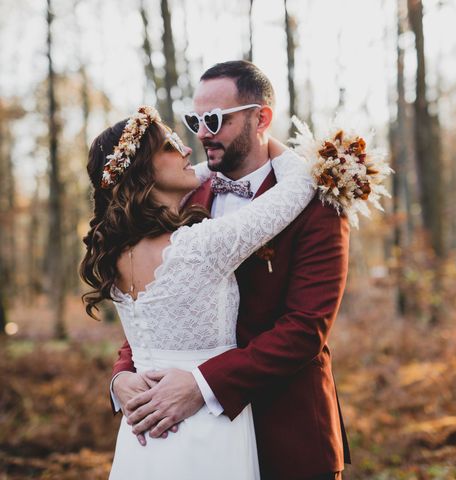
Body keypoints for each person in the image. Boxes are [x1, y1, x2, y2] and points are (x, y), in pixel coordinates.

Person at [111, 61, 351, 479]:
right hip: (188, 437)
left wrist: (202, 385)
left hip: (287, 429)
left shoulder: (317, 204)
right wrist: (120, 378)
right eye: (196, 119)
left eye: (216, 119)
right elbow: (152, 307)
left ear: (261, 118)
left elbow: (305, 328)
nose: (202, 132)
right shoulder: (184, 196)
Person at [80, 105, 315, 478]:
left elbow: (177, 177)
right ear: (144, 171)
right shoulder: (202, 246)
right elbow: (301, 184)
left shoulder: (112, 254)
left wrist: (119, 380)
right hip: (208, 425)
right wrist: (263, 137)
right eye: (171, 146)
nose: (188, 149)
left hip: (142, 427)